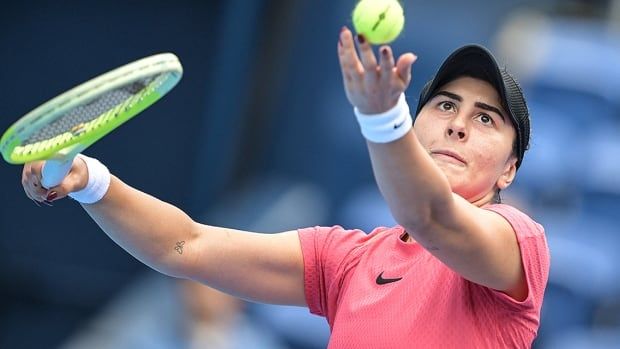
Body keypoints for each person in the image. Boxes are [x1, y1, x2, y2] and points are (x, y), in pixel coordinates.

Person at [21, 26, 550, 348]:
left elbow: (430, 218)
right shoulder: (348, 262)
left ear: (509, 170)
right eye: (446, 105)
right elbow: (185, 246)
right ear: (418, 127)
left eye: (487, 120)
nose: (458, 123)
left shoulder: (517, 242)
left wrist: (381, 116)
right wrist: (90, 180)